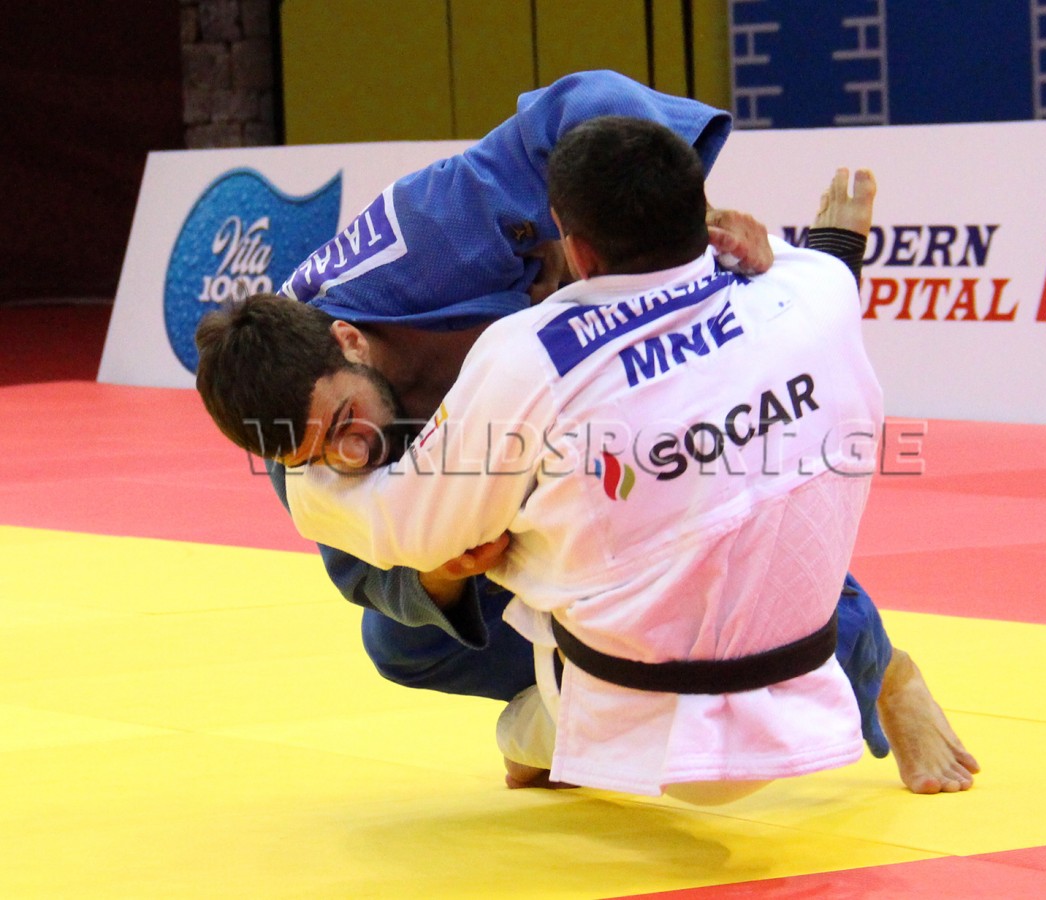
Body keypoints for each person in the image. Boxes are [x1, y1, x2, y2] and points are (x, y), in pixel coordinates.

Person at [196, 71, 978, 794]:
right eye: (317, 456)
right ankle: (569, 708)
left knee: (715, 490)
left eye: (344, 424)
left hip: (639, 412)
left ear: (348, 340)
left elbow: (584, 102)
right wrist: (439, 576)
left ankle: (875, 664)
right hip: (512, 497)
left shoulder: (431, 236)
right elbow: (363, 561)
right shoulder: (297, 449)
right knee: (402, 642)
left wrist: (687, 222)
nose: (348, 454)